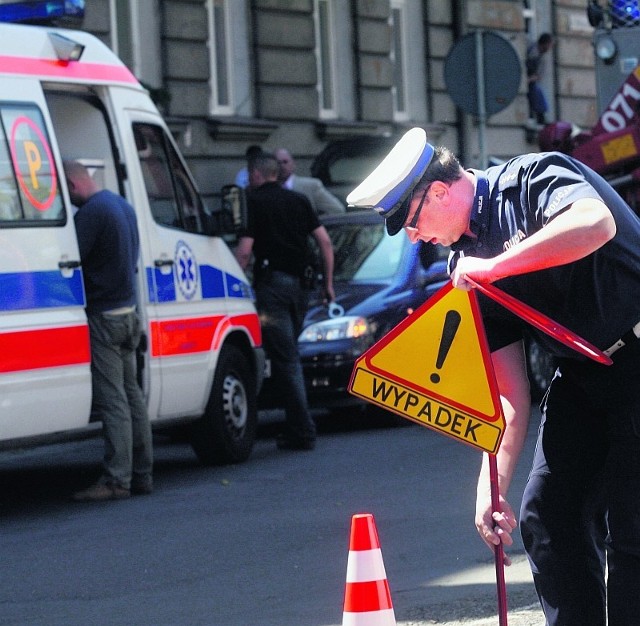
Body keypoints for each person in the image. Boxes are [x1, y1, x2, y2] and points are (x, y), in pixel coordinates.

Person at [346, 127, 640, 626]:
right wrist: (491, 487)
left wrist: (496, 267)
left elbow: (595, 224)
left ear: (438, 191)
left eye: (411, 223)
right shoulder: (467, 265)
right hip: (584, 373)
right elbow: (509, 393)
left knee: (631, 527)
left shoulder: (534, 178)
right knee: (545, 516)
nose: (415, 238)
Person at [64, 161, 153, 502]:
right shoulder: (122, 205)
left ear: (73, 184)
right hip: (128, 313)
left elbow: (72, 260)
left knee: (113, 399)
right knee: (132, 396)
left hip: (104, 317)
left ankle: (117, 479)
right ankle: (142, 473)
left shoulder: (91, 215)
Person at [234, 152, 335, 450]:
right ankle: (294, 425)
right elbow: (325, 242)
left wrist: (233, 282)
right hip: (302, 289)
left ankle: (302, 431)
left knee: (286, 358)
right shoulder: (299, 200)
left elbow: (244, 251)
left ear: (255, 175)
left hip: (272, 289)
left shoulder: (253, 203)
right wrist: (328, 284)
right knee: (288, 355)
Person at [275, 147, 346, 215]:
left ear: (293, 164)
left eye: (285, 162)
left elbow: (337, 209)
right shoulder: (268, 188)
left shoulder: (311, 186)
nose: (282, 166)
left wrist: (314, 223)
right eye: (278, 163)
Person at [526, 33, 554, 125]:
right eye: (550, 44)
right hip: (524, 78)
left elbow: (538, 75)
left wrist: (530, 79)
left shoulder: (543, 58)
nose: (550, 47)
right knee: (535, 91)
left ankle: (540, 116)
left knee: (536, 91)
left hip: (529, 81)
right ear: (545, 43)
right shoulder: (530, 49)